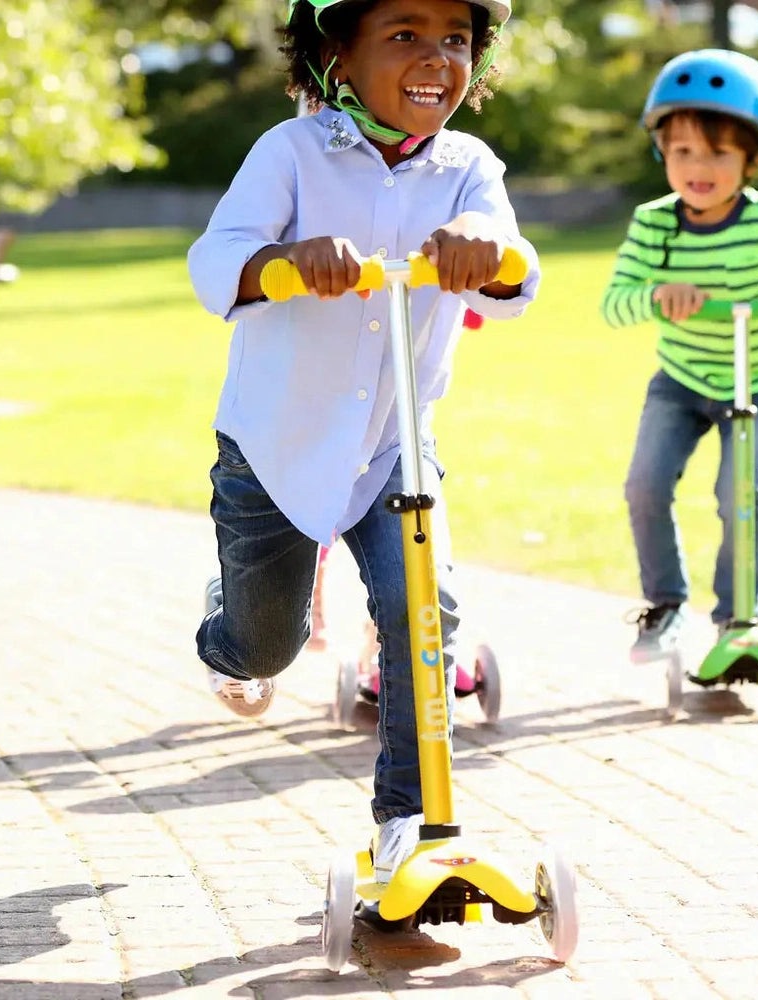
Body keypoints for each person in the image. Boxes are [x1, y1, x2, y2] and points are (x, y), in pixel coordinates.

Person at [187, 0, 538, 884]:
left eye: (455, 40)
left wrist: (484, 247)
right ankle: (230, 631)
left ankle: (411, 823)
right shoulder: (290, 152)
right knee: (265, 647)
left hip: (393, 447)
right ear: (337, 52)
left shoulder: (469, 168)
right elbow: (214, 257)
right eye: (406, 34)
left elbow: (517, 271)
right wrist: (283, 262)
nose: (436, 57)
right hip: (274, 448)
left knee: (425, 610)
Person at [600, 49, 758, 664]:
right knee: (644, 485)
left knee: (740, 495)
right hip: (680, 382)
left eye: (718, 152)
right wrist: (657, 296)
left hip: (757, 380)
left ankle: (740, 621)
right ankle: (665, 606)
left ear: (755, 157)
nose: (698, 167)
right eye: (682, 151)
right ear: (663, 152)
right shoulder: (654, 225)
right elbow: (614, 304)